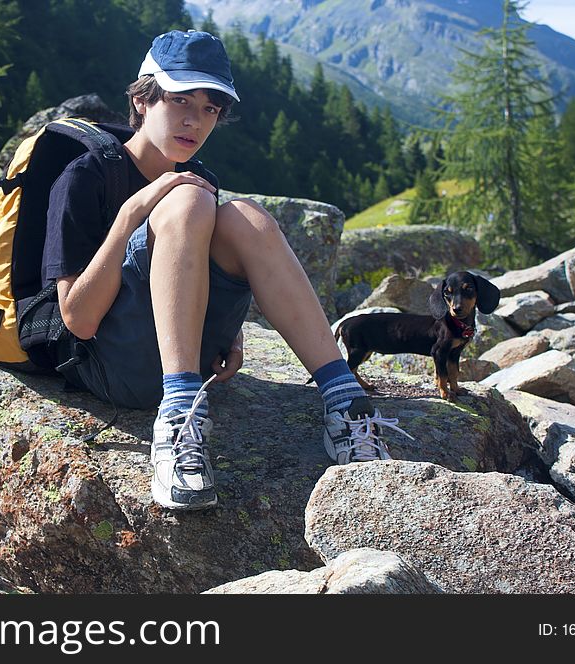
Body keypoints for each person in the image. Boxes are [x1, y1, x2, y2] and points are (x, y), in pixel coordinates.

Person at [40, 29, 409, 510]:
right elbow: (78, 319)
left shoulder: (200, 179)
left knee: (246, 215)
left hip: (195, 363)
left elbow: (194, 274)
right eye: (180, 100)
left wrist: (229, 333)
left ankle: (345, 402)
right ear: (142, 99)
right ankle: (176, 426)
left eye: (210, 108)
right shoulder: (86, 176)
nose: (195, 120)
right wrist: (133, 212)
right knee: (190, 198)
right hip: (111, 370)